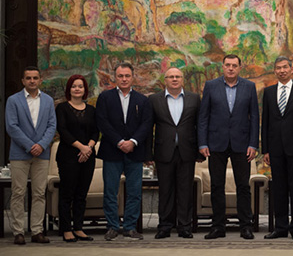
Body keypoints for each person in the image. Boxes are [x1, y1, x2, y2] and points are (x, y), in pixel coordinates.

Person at [198, 54, 260, 240]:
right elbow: (203, 117)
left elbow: (255, 117)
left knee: (243, 187)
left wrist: (253, 144)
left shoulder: (249, 87)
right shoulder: (211, 86)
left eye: (234, 65)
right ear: (222, 67)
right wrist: (202, 143)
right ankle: (218, 227)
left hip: (242, 145)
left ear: (240, 67)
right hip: (216, 144)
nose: (231, 68)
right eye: (227, 65)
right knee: (217, 186)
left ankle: (245, 227)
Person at [96, 62, 152, 241]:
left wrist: (133, 142)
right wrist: (120, 142)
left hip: (135, 152)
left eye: (127, 75)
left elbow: (146, 124)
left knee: (134, 192)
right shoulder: (105, 97)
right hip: (112, 151)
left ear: (132, 77)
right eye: (120, 76)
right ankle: (112, 226)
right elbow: (102, 122)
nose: (124, 79)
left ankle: (129, 227)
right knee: (110, 192)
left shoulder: (143, 100)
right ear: (115, 77)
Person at [261, 56, 293, 240]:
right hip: (275, 150)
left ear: (291, 69)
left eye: (285, 67)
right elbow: (265, 122)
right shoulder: (268, 92)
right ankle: (280, 227)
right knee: (279, 189)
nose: (281, 70)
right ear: (274, 71)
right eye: (278, 68)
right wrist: (265, 150)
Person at [5, 66, 57, 245]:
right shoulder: (13, 100)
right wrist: (30, 146)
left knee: (39, 193)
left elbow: (52, 126)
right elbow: (12, 126)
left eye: (35, 78)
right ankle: (18, 232)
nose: (32, 81)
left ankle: (37, 231)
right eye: (28, 78)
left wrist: (41, 145)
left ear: (40, 80)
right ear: (23, 81)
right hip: (19, 153)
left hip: (42, 154)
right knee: (18, 193)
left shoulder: (48, 101)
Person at [149, 67, 202, 239]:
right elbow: (149, 128)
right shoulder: (154, 100)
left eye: (177, 76)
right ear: (165, 80)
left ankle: (184, 226)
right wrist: (148, 154)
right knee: (165, 190)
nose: (174, 79)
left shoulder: (194, 98)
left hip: (187, 151)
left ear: (182, 80)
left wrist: (200, 149)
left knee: (185, 190)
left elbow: (200, 125)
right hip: (164, 151)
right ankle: (165, 226)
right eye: (170, 77)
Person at [55, 75, 99, 242]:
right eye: (74, 86)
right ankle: (66, 229)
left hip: (88, 156)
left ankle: (79, 228)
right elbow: (63, 131)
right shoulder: (62, 108)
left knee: (81, 194)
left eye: (80, 86)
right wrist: (82, 147)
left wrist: (89, 147)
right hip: (68, 156)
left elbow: (96, 131)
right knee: (67, 193)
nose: (77, 89)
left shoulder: (91, 110)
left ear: (85, 90)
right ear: (69, 89)